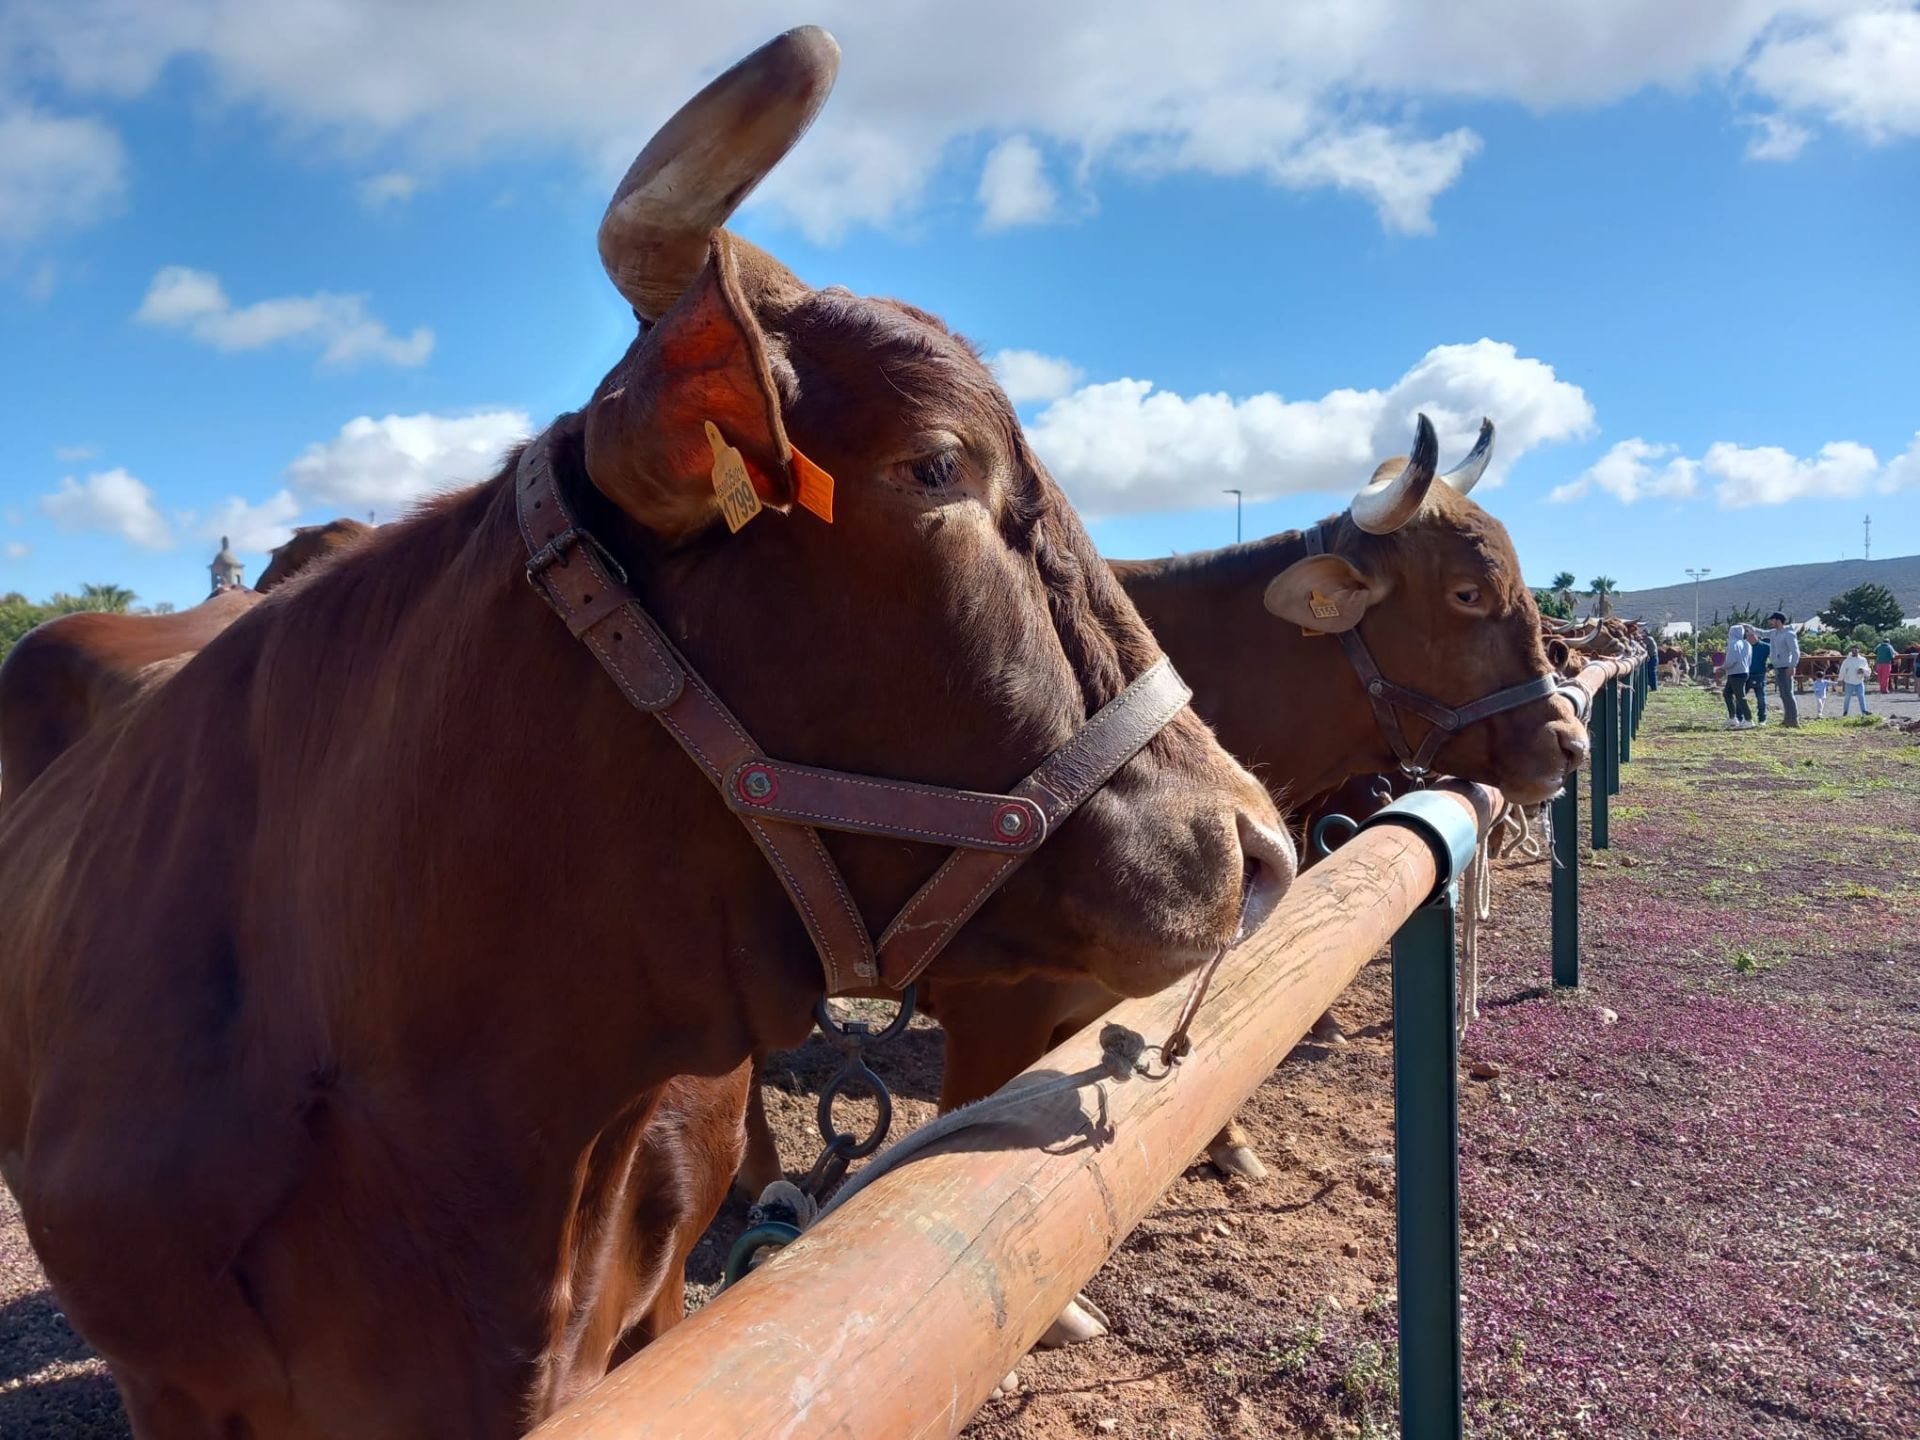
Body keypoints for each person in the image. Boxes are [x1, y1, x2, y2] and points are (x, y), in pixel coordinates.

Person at [1766, 612, 1800, 728]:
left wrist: (1792, 666)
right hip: (1778, 667)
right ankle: (1787, 719)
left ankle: (1794, 719)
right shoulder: (1773, 633)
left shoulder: (1789, 634)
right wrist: (1748, 627)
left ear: (1778, 620)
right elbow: (1761, 633)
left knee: (1788, 694)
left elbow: (1795, 652)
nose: (1770, 622)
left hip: (1786, 667)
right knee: (1783, 694)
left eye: (1772, 620)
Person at [1722, 625, 1753, 728]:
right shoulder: (1747, 644)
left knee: (1740, 696)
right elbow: (1749, 660)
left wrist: (1723, 667)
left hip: (1735, 673)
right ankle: (1732, 718)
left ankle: (1748, 719)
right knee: (1727, 693)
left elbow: (1731, 660)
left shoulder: (1733, 644)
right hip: (1744, 671)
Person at [1747, 625, 1771, 723]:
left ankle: (1762, 719)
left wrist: (1770, 667)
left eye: (1751, 634)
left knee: (1761, 698)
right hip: (1746, 675)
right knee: (1741, 698)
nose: (1749, 636)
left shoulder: (1766, 646)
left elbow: (1775, 656)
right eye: (1747, 635)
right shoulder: (1745, 646)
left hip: (1760, 675)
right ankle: (1740, 717)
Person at [1838, 646, 1871, 715]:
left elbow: (1867, 669)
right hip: (1849, 681)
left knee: (1861, 696)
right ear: (1851, 651)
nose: (1855, 651)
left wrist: (1863, 670)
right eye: (1853, 650)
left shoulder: (1863, 660)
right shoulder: (1847, 660)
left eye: (1856, 650)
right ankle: (1845, 711)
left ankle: (1864, 710)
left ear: (1858, 651)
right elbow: (1842, 670)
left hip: (1859, 681)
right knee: (1847, 697)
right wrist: (1840, 679)